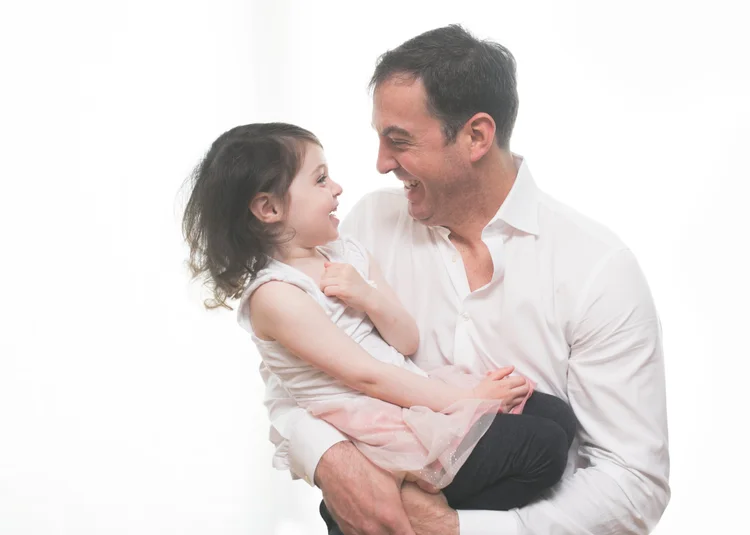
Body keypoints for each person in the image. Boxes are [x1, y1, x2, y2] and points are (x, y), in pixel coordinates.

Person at [261, 25, 670, 535]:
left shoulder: (597, 270)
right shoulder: (364, 229)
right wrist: (329, 459)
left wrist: (453, 529)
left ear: (476, 136)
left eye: (399, 141)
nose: (381, 163)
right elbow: (293, 369)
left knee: (550, 427)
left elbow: (634, 484)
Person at [182, 122, 577, 525]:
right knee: (545, 449)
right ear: (269, 209)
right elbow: (367, 377)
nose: (337, 188)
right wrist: (472, 398)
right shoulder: (276, 294)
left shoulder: (346, 252)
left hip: (406, 391)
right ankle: (425, 520)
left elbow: (406, 341)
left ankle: (420, 513)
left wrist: (367, 295)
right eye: (320, 180)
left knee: (558, 418)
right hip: (376, 426)